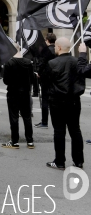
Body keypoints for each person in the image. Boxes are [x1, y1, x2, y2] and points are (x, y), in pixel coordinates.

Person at [44, 38, 85, 170]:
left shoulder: (52, 63)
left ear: (59, 47)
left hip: (57, 101)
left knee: (59, 131)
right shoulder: (77, 62)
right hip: (74, 100)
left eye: (56, 46)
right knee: (75, 130)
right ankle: (78, 161)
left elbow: (46, 82)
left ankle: (60, 161)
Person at [1, 43, 35, 149]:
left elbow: (6, 80)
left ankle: (14, 141)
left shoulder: (9, 63)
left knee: (14, 117)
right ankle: (30, 141)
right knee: (27, 116)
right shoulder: (28, 62)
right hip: (25, 92)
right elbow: (32, 79)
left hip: (13, 92)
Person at [35, 33, 56, 129]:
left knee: (45, 100)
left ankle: (44, 122)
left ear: (47, 40)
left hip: (46, 77)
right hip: (55, 77)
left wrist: (38, 71)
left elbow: (42, 62)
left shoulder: (45, 50)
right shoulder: (57, 49)